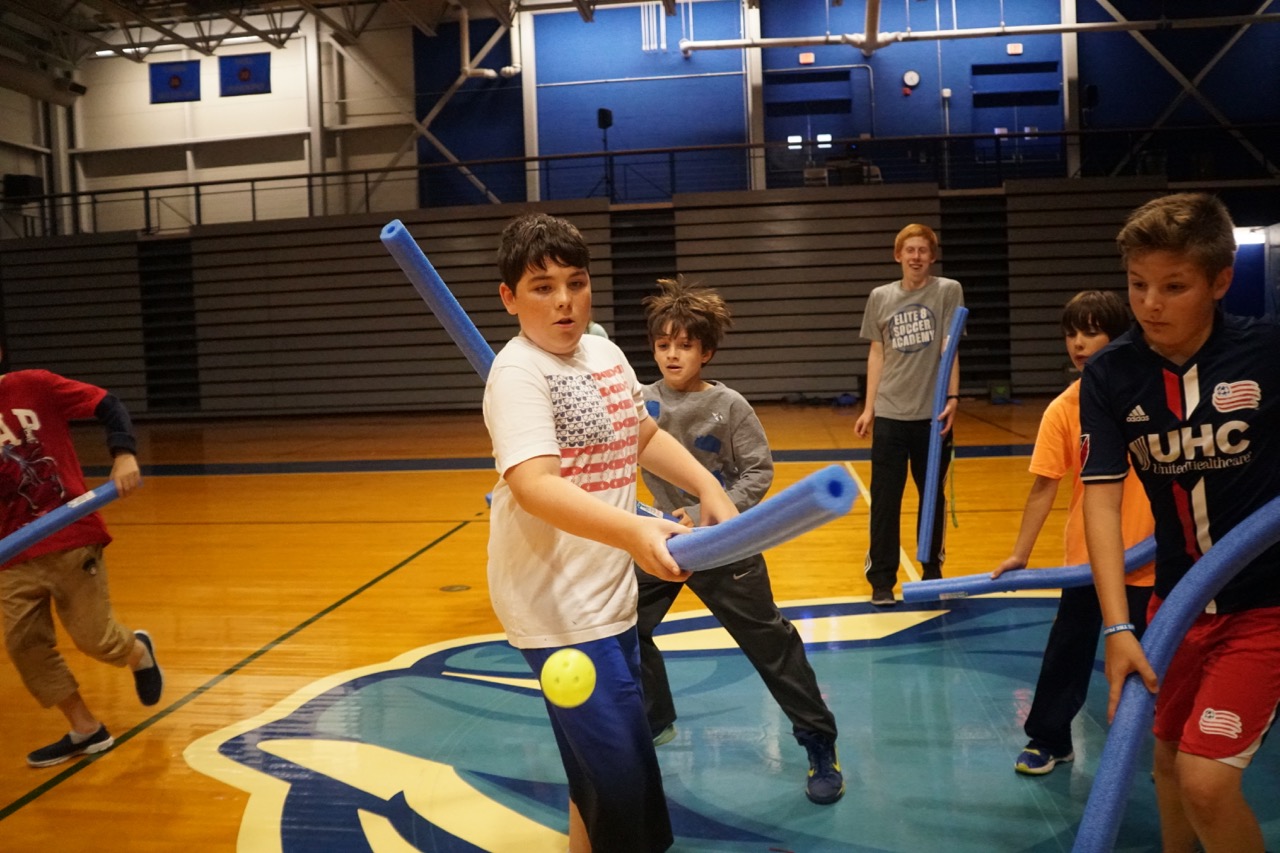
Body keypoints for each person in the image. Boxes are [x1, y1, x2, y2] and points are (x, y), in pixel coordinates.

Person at [482, 213, 738, 853]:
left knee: (596, 776)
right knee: (627, 790)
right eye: (542, 287)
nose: (564, 301)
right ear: (510, 298)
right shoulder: (517, 376)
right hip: (559, 612)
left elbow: (642, 437)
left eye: (576, 281)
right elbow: (535, 485)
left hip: (609, 600)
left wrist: (709, 487)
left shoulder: (603, 353)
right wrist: (635, 532)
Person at [1081, 192, 1280, 852]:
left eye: (1174, 286)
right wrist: (1117, 625)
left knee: (1204, 781)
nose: (1149, 305)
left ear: (1220, 281)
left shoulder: (1267, 353)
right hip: (1175, 609)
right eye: (1137, 285)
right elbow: (1102, 502)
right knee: (1165, 765)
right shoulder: (1111, 374)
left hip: (1264, 609)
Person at [634, 276, 844, 805]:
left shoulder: (729, 406)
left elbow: (758, 473)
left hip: (727, 548)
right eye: (663, 344)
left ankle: (820, 744)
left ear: (706, 350)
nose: (672, 354)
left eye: (684, 345)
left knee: (773, 648)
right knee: (623, 626)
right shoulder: (638, 403)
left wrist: (714, 509)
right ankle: (656, 720)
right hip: (665, 543)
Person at [989, 290, 1155, 776]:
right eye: (1072, 333)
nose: (1079, 343)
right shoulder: (1064, 409)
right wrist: (1021, 553)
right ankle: (1050, 738)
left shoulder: (1151, 390)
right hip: (1090, 560)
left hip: (1154, 557)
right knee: (1070, 647)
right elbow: (1044, 487)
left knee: (1162, 649)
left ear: (1119, 332)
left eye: (1091, 331)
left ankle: (1167, 746)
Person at [0, 358, 163, 768]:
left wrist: (124, 454)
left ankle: (137, 651)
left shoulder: (32, 386)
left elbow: (107, 404)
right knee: (25, 647)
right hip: (11, 554)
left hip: (69, 534)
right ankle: (86, 730)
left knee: (96, 639)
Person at [855, 223, 964, 605]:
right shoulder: (880, 297)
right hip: (889, 414)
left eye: (923, 250)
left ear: (932, 256)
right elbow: (877, 353)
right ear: (897, 255)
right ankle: (882, 580)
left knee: (931, 498)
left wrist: (952, 397)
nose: (916, 256)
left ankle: (932, 573)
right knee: (885, 501)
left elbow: (949, 348)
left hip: (932, 417)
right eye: (909, 250)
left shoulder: (948, 291)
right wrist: (869, 408)